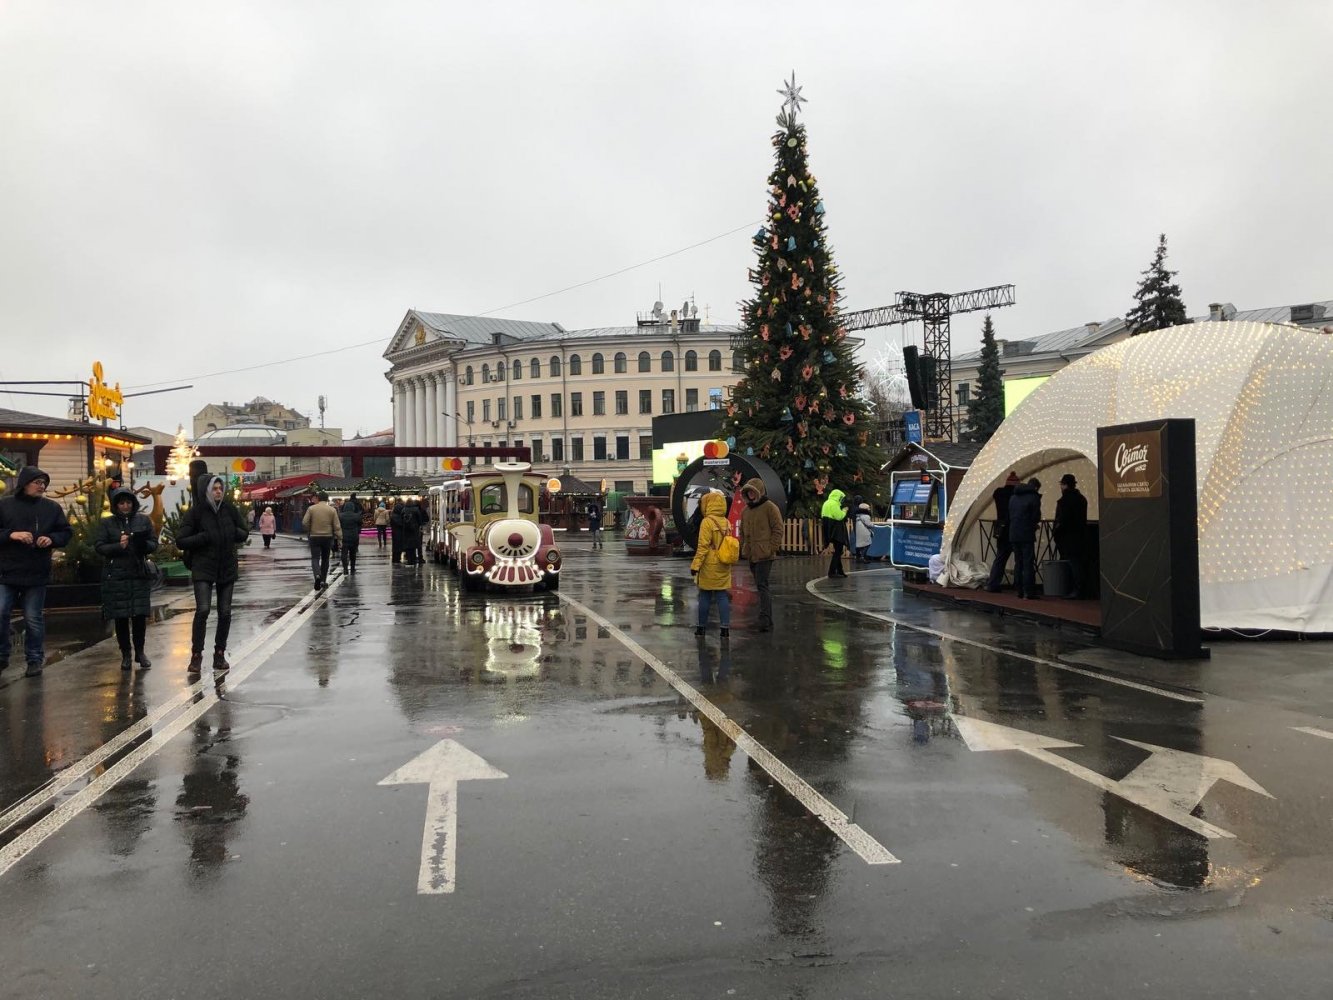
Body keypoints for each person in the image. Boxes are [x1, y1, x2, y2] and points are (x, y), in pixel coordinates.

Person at [0, 466, 72, 676]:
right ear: (24, 484)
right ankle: (2, 655)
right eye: (38, 482)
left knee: (33, 617)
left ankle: (34, 659)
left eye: (44, 483)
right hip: (6, 571)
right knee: (1, 612)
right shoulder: (4, 506)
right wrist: (11, 535)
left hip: (36, 571)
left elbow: (66, 532)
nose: (42, 487)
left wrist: (52, 539)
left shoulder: (51, 508)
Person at [176, 474, 249, 675]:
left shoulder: (229, 510)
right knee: (203, 610)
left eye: (220, 488)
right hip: (203, 567)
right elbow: (181, 540)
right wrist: (203, 537)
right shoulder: (196, 513)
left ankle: (219, 653)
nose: (218, 491)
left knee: (225, 612)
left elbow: (244, 531)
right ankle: (196, 656)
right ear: (206, 491)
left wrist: (235, 533)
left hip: (226, 566)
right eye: (214, 488)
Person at [94, 486, 159, 671]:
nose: (125, 506)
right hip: (116, 575)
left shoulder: (143, 521)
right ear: (116, 505)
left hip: (138, 573)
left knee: (139, 615)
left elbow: (153, 543)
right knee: (121, 617)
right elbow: (99, 546)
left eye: (128, 502)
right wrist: (118, 546)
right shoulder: (108, 523)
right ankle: (126, 654)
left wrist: (141, 544)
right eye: (121, 503)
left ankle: (140, 652)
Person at [739, 477, 783, 633]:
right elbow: (742, 532)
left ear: (759, 491)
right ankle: (766, 618)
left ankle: (765, 619)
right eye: (748, 492)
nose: (751, 495)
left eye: (753, 491)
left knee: (762, 585)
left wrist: (771, 548)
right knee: (760, 585)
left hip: (765, 554)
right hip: (751, 554)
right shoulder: (746, 511)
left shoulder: (770, 507)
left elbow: (778, 529)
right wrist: (744, 547)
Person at [690, 492, 732, 638]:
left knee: (705, 595)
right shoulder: (726, 522)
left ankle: (701, 628)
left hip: (709, 562)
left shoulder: (707, 522)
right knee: (722, 596)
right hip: (723, 560)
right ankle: (725, 629)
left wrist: (695, 565)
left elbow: (703, 546)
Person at [1053, 473, 1089, 597]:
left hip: (1068, 537)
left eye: (1061, 484)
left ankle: (1075, 589)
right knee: (1079, 562)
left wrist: (1056, 531)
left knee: (1073, 563)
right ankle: (1080, 588)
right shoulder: (1082, 499)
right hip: (1080, 535)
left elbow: (1062, 520)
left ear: (1065, 485)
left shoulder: (1064, 501)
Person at [986, 471, 1021, 593]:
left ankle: (993, 583)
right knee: (1019, 559)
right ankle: (1018, 585)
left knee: (1000, 558)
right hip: (1015, 529)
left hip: (1001, 529)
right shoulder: (1017, 497)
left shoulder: (999, 493)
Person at [1008, 477, 1043, 600]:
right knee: (1028, 562)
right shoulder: (1034, 498)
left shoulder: (1013, 497)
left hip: (1013, 533)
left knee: (1018, 562)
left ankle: (1019, 590)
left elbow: (1011, 514)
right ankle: (1029, 591)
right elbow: (1036, 516)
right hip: (1026, 533)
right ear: (1036, 487)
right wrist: (1034, 525)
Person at [302, 492, 342, 589]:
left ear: (318, 498)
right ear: (327, 499)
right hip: (327, 537)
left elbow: (304, 522)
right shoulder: (332, 510)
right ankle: (323, 580)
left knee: (315, 558)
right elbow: (337, 526)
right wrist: (340, 539)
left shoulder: (311, 509)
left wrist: (309, 530)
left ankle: (317, 575)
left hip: (314, 536)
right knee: (325, 559)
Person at [820, 488, 850, 578]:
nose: (842, 500)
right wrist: (844, 510)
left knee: (838, 550)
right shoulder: (834, 504)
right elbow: (839, 516)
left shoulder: (826, 503)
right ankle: (832, 572)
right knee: (838, 551)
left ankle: (840, 571)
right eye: (841, 498)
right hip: (836, 530)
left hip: (829, 529)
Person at [338, 495, 364, 574]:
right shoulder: (356, 516)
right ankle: (352, 568)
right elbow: (360, 523)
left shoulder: (340, 516)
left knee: (344, 553)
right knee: (353, 554)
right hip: (354, 536)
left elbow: (338, 525)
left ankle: (345, 568)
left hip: (344, 536)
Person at [400, 497, 425, 565]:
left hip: (406, 530)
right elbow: (419, 519)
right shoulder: (416, 509)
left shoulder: (404, 509)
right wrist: (420, 525)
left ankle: (409, 559)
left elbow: (401, 519)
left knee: (408, 546)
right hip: (414, 529)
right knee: (414, 545)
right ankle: (413, 560)